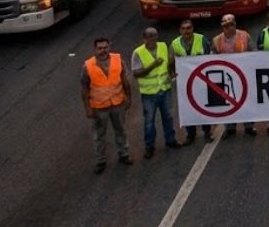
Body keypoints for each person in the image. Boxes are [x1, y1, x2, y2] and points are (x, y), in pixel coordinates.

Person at [82, 37, 133, 173]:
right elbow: (84, 88)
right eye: (100, 48)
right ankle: (100, 161)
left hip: (118, 103)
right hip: (99, 108)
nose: (103, 51)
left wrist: (128, 98)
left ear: (109, 47)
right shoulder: (88, 66)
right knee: (99, 135)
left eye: (105, 47)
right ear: (95, 50)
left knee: (121, 130)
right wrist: (88, 108)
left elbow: (125, 80)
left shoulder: (118, 60)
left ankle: (124, 154)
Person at [132, 27, 180, 159]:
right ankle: (149, 147)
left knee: (168, 117)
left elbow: (169, 62)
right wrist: (153, 65)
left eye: (155, 36)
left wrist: (171, 71)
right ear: (144, 39)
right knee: (149, 121)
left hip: (164, 89)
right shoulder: (138, 52)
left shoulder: (163, 46)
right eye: (150, 37)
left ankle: (171, 140)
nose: (153, 39)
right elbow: (136, 73)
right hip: (149, 94)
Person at [170, 19, 212, 144]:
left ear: (193, 29)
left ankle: (207, 132)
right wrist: (173, 73)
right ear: (180, 30)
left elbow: (210, 56)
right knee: (187, 108)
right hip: (185, 83)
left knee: (204, 107)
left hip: (201, 81)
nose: (186, 31)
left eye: (189, 28)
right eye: (184, 28)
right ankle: (190, 135)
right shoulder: (175, 43)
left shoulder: (202, 39)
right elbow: (171, 61)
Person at [213, 14, 255, 137]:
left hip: (243, 75)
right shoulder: (217, 40)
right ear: (222, 26)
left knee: (246, 101)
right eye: (226, 25)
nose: (229, 27)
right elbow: (212, 57)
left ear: (235, 24)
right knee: (228, 103)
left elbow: (253, 53)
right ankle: (230, 128)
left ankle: (249, 126)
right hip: (226, 76)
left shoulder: (244, 35)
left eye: (231, 24)